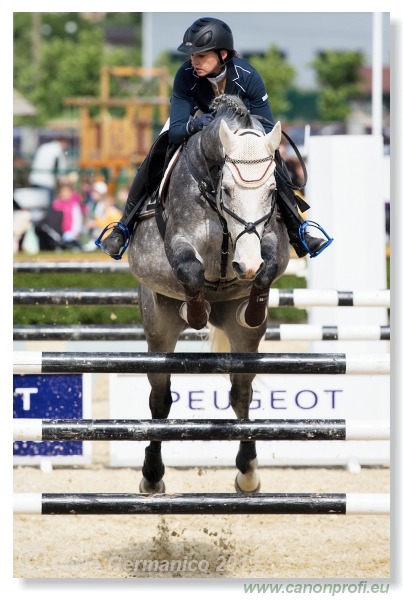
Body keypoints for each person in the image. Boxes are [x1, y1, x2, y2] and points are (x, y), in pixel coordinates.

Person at [99, 16, 331, 260]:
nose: (194, 61)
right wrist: (194, 125)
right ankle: (123, 228)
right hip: (194, 125)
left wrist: (243, 137)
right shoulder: (185, 75)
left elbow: (265, 126)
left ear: (222, 54)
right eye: (192, 56)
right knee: (157, 151)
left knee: (272, 156)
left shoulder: (248, 75)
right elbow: (177, 128)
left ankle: (298, 230)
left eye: (201, 56)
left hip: (241, 135)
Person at [28, 136, 70, 204]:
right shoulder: (58, 151)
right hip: (47, 182)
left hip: (35, 179)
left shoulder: (44, 147)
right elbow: (59, 171)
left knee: (36, 204)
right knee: (46, 206)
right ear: (63, 143)